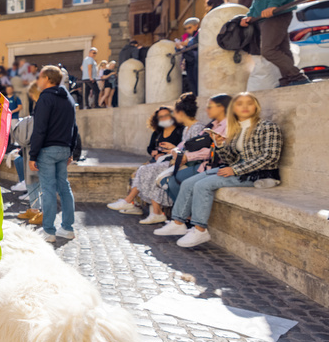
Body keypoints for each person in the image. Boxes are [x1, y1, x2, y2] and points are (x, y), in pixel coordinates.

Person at [155, 92, 282, 247]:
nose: (244, 107)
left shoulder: (267, 127)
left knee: (203, 185)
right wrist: (221, 145)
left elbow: (270, 157)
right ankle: (178, 222)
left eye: (249, 103)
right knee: (189, 183)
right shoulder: (236, 129)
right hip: (237, 168)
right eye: (239, 104)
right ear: (233, 109)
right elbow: (230, 159)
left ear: (256, 106)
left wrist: (235, 170)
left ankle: (200, 230)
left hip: (259, 173)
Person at [106, 94, 202, 224]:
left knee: (148, 170)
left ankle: (131, 202)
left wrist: (173, 149)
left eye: (171, 114)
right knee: (146, 170)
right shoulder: (185, 129)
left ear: (180, 113)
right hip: (172, 160)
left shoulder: (195, 128)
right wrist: (167, 150)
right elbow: (182, 147)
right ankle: (149, 210)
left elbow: (193, 150)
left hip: (184, 163)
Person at [240, 0, 309, 87]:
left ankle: (297, 76)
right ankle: (289, 79)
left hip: (275, 15)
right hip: (269, 16)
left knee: (269, 50)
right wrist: (251, 15)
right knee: (282, 49)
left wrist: (273, 5)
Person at [29, 65, 81, 242]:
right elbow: (75, 127)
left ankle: (49, 231)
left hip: (48, 150)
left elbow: (39, 129)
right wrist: (71, 151)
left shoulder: (45, 98)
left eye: (39, 77)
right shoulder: (68, 98)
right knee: (64, 187)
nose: (37, 81)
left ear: (46, 78)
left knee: (49, 189)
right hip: (64, 149)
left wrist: (33, 155)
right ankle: (67, 228)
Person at [163, 93, 232, 203]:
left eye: (210, 107)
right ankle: (180, 216)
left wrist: (188, 157)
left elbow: (216, 150)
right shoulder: (212, 125)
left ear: (221, 107)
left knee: (172, 181)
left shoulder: (229, 126)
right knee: (168, 180)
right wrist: (177, 151)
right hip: (201, 163)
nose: (206, 110)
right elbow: (191, 143)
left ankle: (182, 217)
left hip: (214, 165)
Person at [13, 82, 44, 225]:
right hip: (34, 145)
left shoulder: (44, 105)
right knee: (32, 180)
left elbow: (39, 128)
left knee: (38, 180)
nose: (30, 96)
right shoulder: (39, 104)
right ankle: (34, 209)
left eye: (31, 93)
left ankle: (40, 212)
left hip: (38, 146)